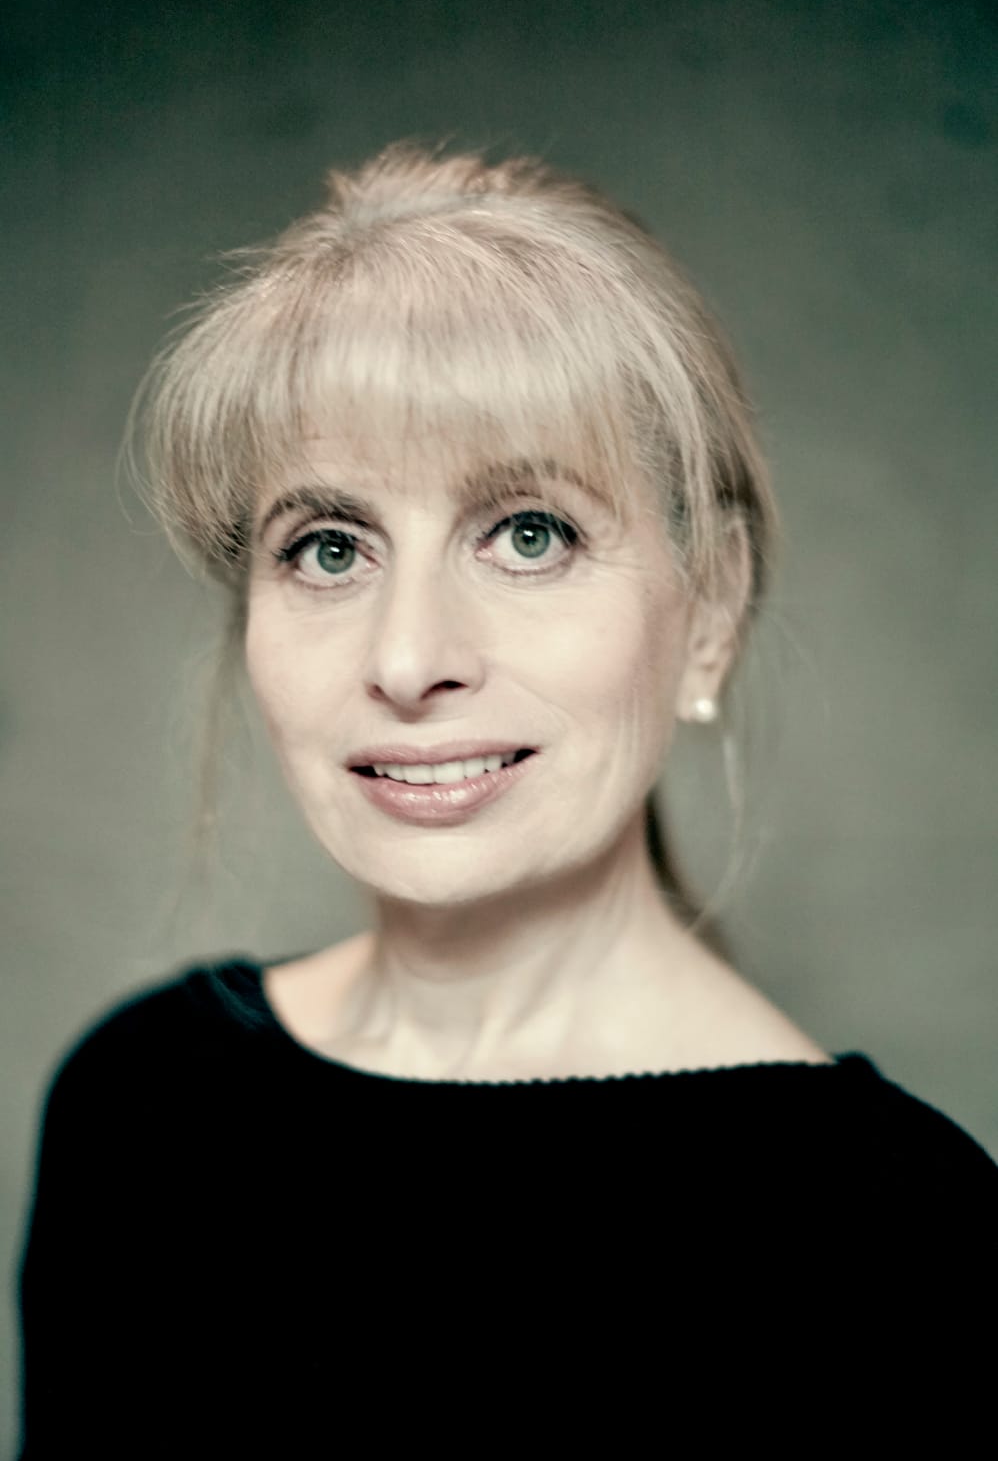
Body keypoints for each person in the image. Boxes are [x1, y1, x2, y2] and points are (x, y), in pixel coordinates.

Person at [17, 141, 998, 1455]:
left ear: (709, 609)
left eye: (530, 534)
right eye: (328, 548)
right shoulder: (141, 1104)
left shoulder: (906, 1242)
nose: (408, 657)